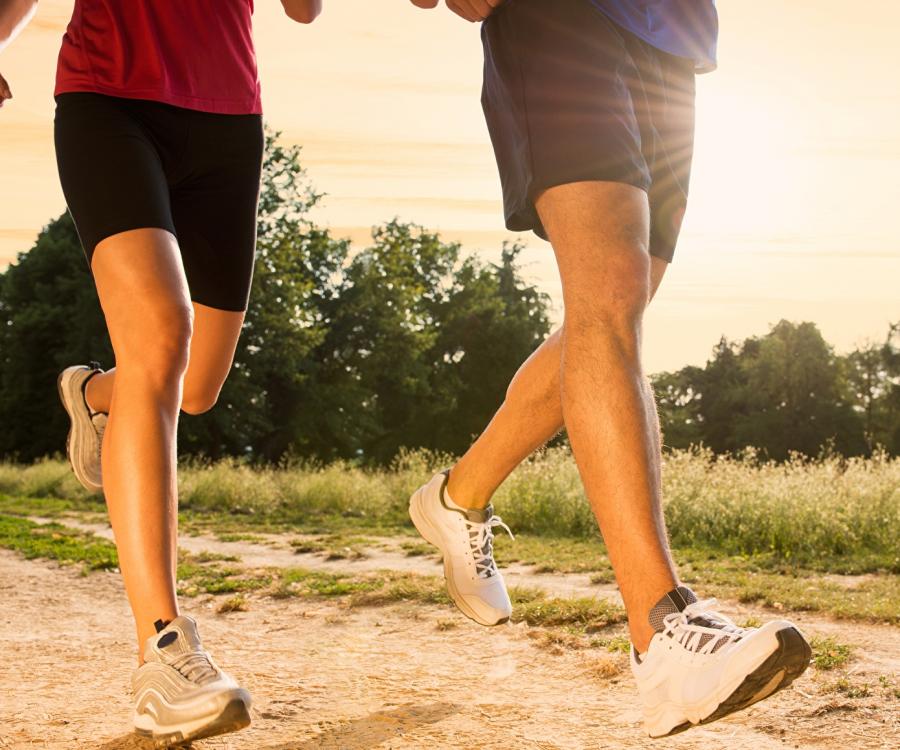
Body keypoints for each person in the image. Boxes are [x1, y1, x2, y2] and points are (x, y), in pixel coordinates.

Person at [407, 0, 812, 738]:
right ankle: (661, 635)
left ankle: (457, 498)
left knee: (613, 312)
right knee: (610, 294)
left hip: (673, 38)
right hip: (560, 15)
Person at [0, 0, 323, 745]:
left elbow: (302, 11)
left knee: (197, 385)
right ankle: (165, 650)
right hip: (108, 99)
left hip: (226, 115)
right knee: (160, 335)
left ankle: (94, 393)